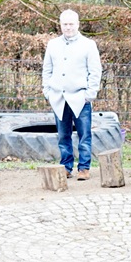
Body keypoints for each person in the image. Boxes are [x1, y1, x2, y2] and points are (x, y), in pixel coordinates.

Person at [42, 10, 101, 180]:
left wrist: (90, 94)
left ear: (78, 24)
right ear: (60, 25)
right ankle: (66, 166)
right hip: (58, 97)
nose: (68, 27)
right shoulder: (53, 44)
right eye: (65, 24)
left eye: (71, 24)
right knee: (63, 135)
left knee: (84, 134)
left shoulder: (88, 44)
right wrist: (47, 91)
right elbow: (47, 69)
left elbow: (95, 70)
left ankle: (84, 167)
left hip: (80, 97)